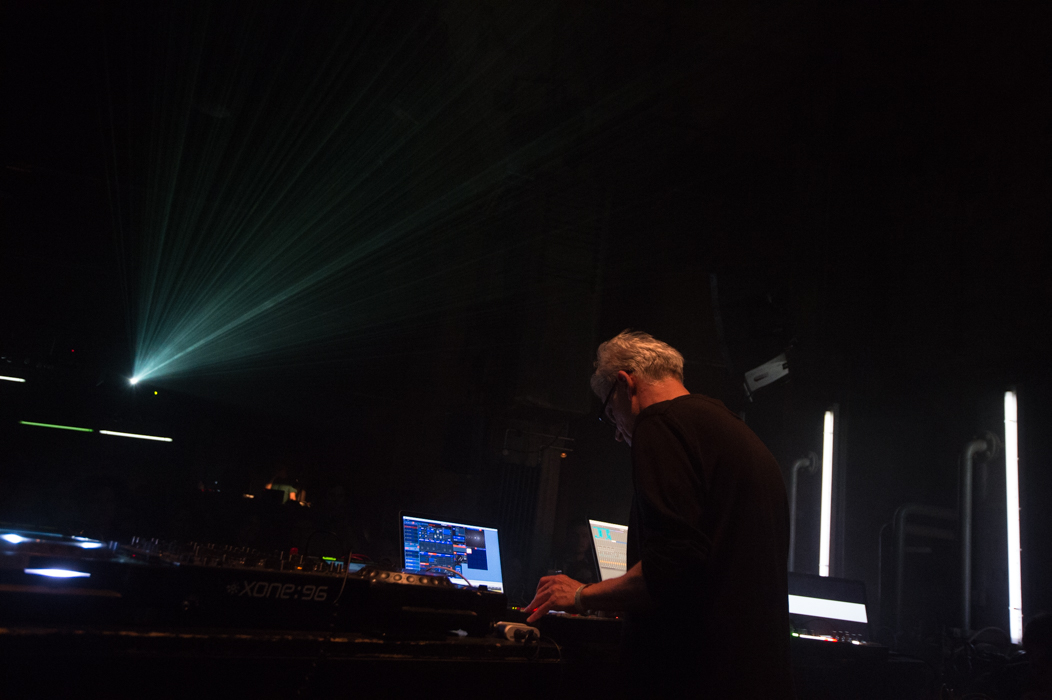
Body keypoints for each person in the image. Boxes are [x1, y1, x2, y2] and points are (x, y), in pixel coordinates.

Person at [526, 330, 795, 698]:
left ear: (625, 384)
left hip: (697, 676)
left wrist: (581, 594)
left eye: (609, 413)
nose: (618, 435)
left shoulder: (660, 424)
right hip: (755, 674)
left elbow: (671, 566)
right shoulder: (733, 430)